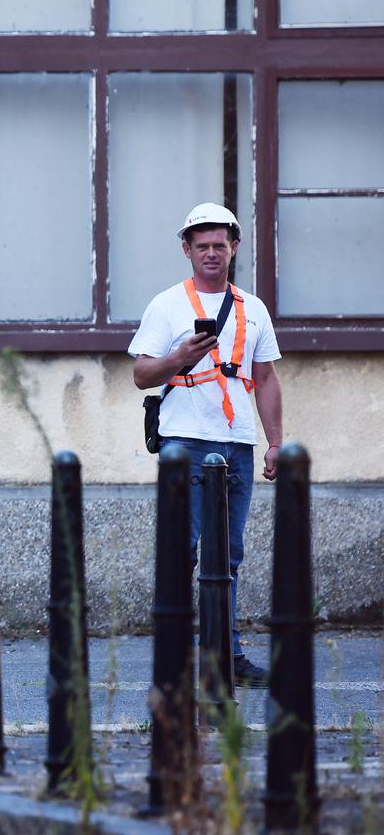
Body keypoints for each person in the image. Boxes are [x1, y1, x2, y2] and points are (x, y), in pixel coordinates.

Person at [129, 203, 283, 688]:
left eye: (220, 244)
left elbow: (266, 377)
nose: (212, 253)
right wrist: (179, 357)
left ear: (234, 247)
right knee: (184, 551)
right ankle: (177, 655)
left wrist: (275, 442)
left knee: (229, 554)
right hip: (185, 445)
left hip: (237, 445)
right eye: (203, 246)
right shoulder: (167, 304)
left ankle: (225, 656)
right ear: (187, 251)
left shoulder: (252, 308)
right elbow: (140, 375)